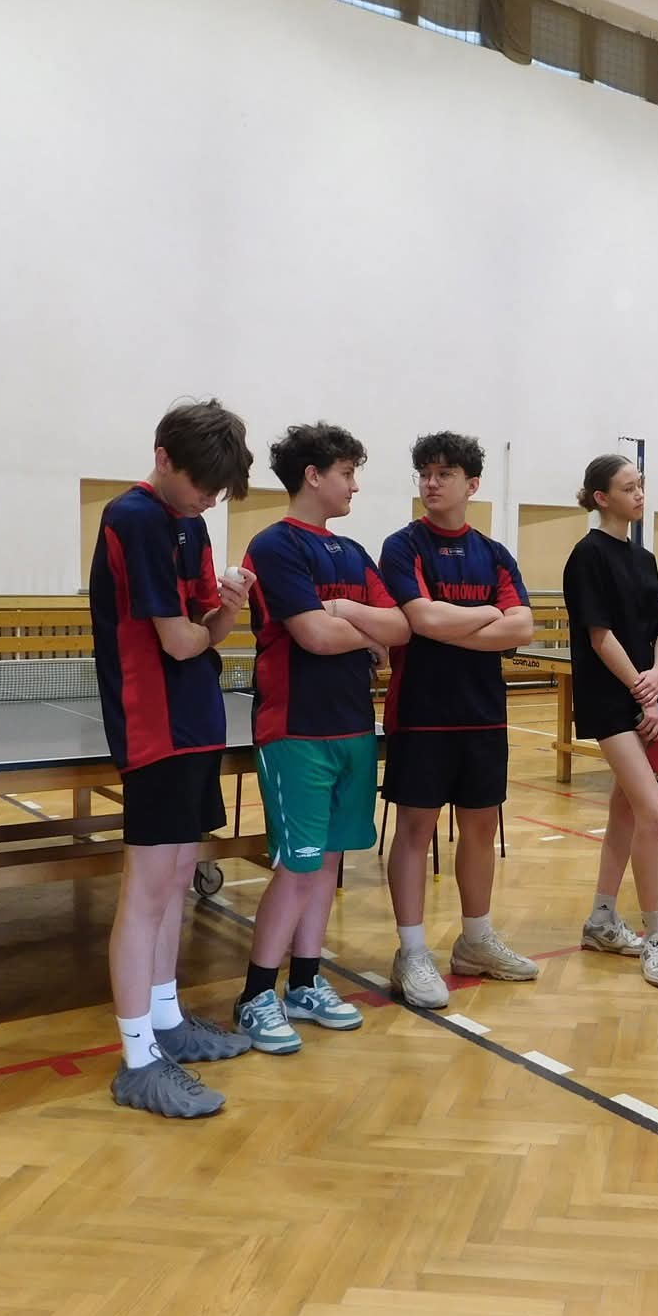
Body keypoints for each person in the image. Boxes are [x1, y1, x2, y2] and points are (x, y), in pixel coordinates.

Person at [91, 400, 257, 1117]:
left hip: (196, 719)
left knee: (179, 876)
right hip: (153, 725)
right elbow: (182, 640)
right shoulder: (133, 518)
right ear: (163, 458)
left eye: (219, 492)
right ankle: (137, 1059)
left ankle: (165, 1021)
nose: (209, 501)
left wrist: (228, 608)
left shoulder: (191, 521)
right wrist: (216, 621)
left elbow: (206, 631)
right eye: (202, 486)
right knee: (147, 890)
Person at [235, 423, 407, 1048]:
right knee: (298, 867)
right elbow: (313, 636)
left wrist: (346, 612)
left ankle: (304, 982)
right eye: (347, 473)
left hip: (354, 728)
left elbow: (400, 628)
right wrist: (363, 632)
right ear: (314, 476)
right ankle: (256, 993)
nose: (354, 486)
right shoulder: (273, 546)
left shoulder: (354, 553)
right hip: (295, 730)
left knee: (328, 863)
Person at [378, 432, 543, 1004]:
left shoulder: (494, 554)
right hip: (421, 713)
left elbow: (523, 628)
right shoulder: (403, 546)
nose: (431, 482)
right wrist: (489, 615)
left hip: (483, 716)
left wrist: (452, 624)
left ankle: (475, 940)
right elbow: (421, 620)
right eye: (425, 472)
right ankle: (411, 952)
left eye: (444, 473)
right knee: (414, 832)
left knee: (480, 829)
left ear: (471, 485)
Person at [562, 454, 658, 988]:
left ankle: (602, 920)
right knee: (654, 813)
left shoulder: (644, 557)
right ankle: (656, 935)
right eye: (629, 487)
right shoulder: (587, 555)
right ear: (601, 497)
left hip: (647, 692)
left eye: (641, 486)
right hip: (611, 699)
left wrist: (656, 677)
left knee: (627, 812)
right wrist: (642, 690)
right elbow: (600, 635)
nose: (639, 495)